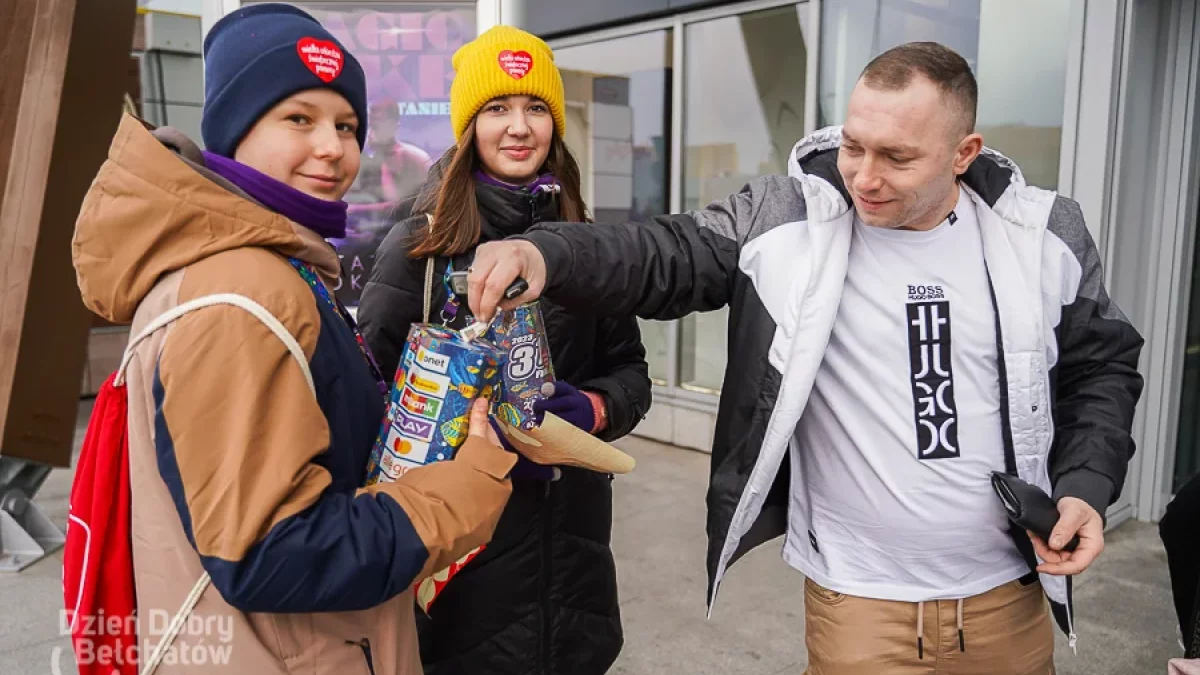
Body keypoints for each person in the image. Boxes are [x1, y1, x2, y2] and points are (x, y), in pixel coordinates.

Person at [465, 42, 1145, 674]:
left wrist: (1085, 484)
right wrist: (545, 252)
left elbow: (1102, 367)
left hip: (1008, 600)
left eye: (897, 157)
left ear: (964, 151)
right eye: (853, 145)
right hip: (858, 606)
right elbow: (664, 255)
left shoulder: (1042, 235)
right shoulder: (788, 221)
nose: (865, 177)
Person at [71, 5, 515, 674]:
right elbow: (274, 550)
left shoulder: (271, 266)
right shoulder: (240, 294)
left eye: (346, 125)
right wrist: (465, 486)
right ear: (233, 128)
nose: (333, 148)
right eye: (298, 118)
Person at [357, 25, 652, 675]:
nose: (519, 127)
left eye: (535, 107)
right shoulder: (420, 248)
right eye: (497, 108)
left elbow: (632, 372)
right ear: (468, 126)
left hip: (573, 560)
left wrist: (597, 411)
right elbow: (367, 388)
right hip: (462, 567)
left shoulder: (585, 243)